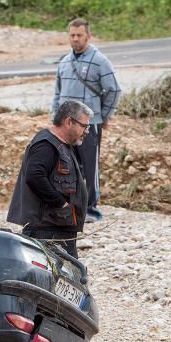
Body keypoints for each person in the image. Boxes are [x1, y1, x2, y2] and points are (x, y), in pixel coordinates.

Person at [51, 18, 120, 223]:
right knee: (65, 166)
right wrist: (55, 120)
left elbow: (114, 89)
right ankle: (70, 208)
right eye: (72, 35)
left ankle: (91, 210)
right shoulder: (64, 62)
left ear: (88, 36)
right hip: (65, 126)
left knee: (89, 167)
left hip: (89, 125)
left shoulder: (100, 60)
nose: (75, 39)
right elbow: (57, 93)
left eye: (79, 35)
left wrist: (103, 116)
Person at [7, 100, 93, 259]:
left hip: (58, 228)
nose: (87, 131)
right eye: (84, 126)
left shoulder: (63, 145)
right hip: (47, 230)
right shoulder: (46, 145)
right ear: (69, 122)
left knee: (69, 278)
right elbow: (34, 176)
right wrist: (61, 204)